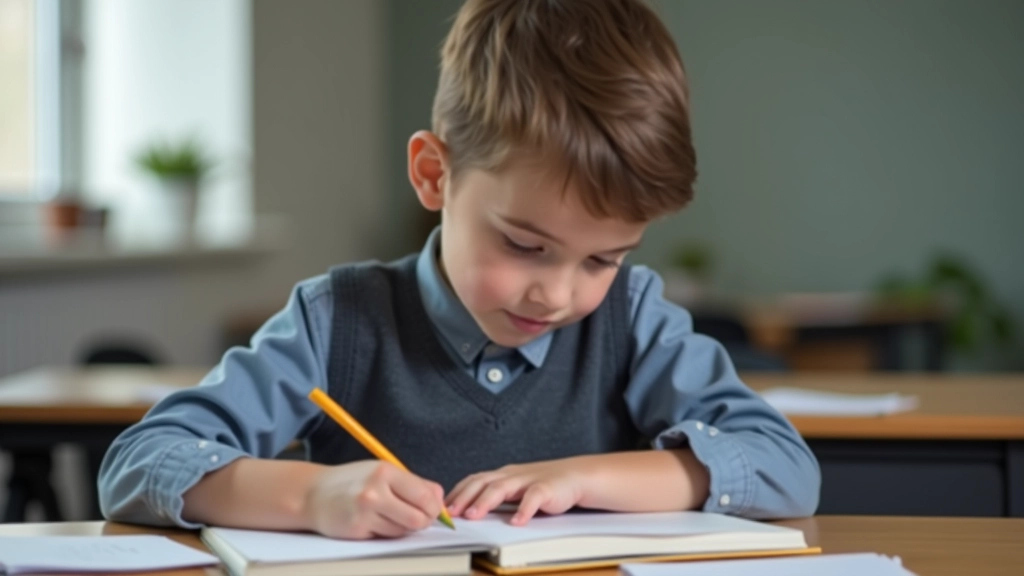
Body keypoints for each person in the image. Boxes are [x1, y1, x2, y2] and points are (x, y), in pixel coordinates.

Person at [99, 0, 820, 540]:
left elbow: (787, 469)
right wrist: (309, 498)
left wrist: (587, 477)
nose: (560, 293)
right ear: (434, 175)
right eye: (525, 245)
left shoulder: (632, 320)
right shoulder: (336, 321)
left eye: (604, 258)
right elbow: (138, 463)